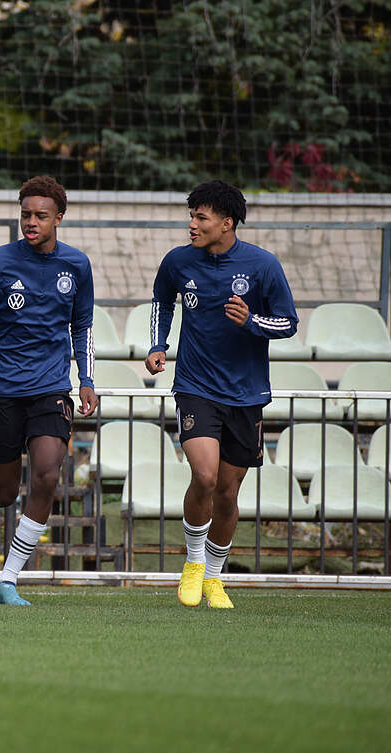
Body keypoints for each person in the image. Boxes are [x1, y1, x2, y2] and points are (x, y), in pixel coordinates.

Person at [0, 175, 97, 606]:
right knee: (6, 490)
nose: (31, 222)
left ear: (59, 219)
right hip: (0, 390)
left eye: (41, 216)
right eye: (26, 214)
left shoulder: (77, 266)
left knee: (48, 474)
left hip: (50, 387)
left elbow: (81, 327)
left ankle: (7, 580)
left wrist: (86, 380)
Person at [145, 180, 296, 610]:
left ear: (227, 223)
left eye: (200, 217)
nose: (192, 224)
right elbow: (161, 301)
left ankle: (215, 577)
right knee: (205, 476)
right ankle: (193, 564)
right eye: (191, 216)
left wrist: (251, 321)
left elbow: (288, 323)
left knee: (228, 492)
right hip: (194, 387)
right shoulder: (177, 262)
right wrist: (158, 344)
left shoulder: (262, 265)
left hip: (246, 395)